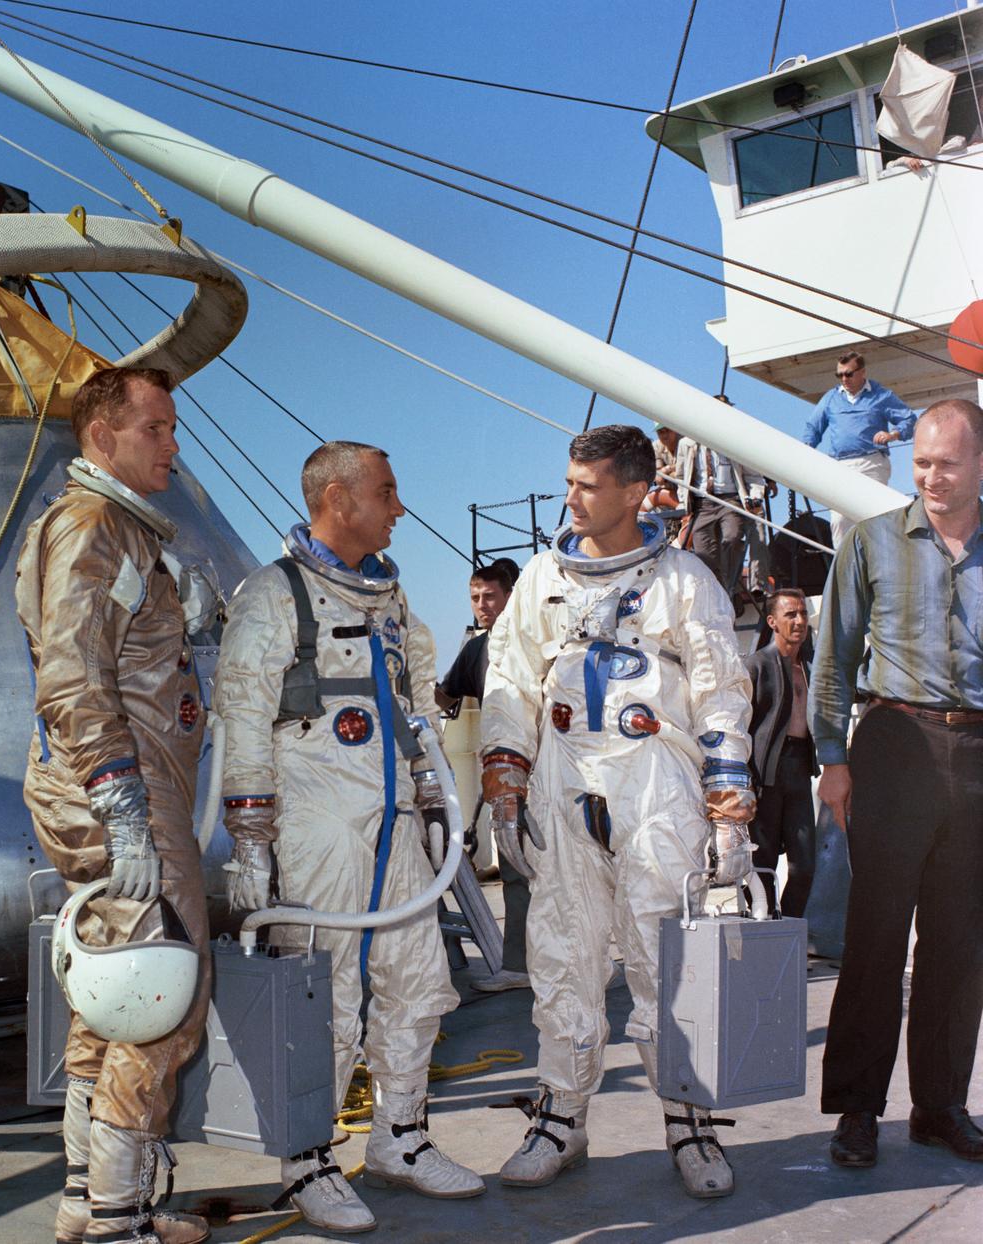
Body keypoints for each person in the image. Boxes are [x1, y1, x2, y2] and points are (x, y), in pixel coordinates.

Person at [213, 441, 485, 1233]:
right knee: (324, 995)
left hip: (392, 818)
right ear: (339, 499)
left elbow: (415, 706)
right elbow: (242, 712)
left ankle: (401, 1138)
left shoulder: (388, 599)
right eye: (387, 493)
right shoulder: (275, 594)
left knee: (417, 980)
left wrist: (433, 793)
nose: (399, 508)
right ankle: (307, 1158)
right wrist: (251, 837)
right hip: (316, 818)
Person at [481, 424, 756, 1200]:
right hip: (566, 775)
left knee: (665, 958)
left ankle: (688, 1120)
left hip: (655, 780)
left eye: (587, 485)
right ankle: (560, 1118)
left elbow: (721, 691)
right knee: (562, 954)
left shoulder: (684, 580)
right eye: (569, 482)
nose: (570, 497)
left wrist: (728, 812)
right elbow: (509, 682)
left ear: (635, 492)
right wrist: (505, 787)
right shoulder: (542, 579)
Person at [16, 368, 213, 1244]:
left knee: (111, 995)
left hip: (109, 782)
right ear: (103, 436)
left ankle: (85, 1199)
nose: (173, 444)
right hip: (122, 787)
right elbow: (72, 674)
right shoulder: (95, 525)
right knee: (159, 994)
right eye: (155, 429)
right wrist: (123, 804)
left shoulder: (116, 528)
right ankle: (118, 1219)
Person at [812, 398, 983, 1169]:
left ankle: (939, 1107)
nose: (931, 477)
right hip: (892, 746)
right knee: (877, 934)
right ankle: (857, 1110)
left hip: (976, 753)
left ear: (980, 464)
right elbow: (835, 657)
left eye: (947, 463)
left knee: (960, 939)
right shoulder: (871, 542)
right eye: (921, 463)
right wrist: (833, 760)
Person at [435, 561, 531, 993]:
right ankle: (519, 965)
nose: (481, 606)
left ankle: (588, 962)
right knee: (515, 871)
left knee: (569, 871)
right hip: (504, 777)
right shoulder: (478, 649)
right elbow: (444, 695)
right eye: (475, 598)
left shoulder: (536, 641)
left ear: (511, 595)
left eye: (490, 596)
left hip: (548, 771)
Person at [744, 588, 818, 919]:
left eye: (803, 614)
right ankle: (764, 930)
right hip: (765, 772)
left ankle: (789, 926)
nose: (799, 621)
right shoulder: (756, 665)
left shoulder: (811, 668)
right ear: (773, 621)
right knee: (763, 862)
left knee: (805, 865)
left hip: (800, 767)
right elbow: (740, 724)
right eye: (791, 615)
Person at [802, 352, 918, 548]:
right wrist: (805, 449)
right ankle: (843, 562)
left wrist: (893, 434)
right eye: (839, 375)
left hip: (871, 462)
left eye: (848, 374)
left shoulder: (881, 395)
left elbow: (909, 419)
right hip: (840, 465)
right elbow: (813, 427)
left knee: (872, 515)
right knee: (839, 520)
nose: (844, 379)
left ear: (862, 372)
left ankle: (877, 559)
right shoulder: (831, 398)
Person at [674, 401, 773, 598]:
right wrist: (684, 500)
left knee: (732, 537)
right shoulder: (687, 444)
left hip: (730, 500)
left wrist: (755, 496)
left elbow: (753, 476)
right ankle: (717, 592)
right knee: (704, 553)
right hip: (702, 503)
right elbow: (680, 475)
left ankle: (730, 584)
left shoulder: (736, 443)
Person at [642, 425, 682, 512]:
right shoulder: (656, 446)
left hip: (691, 491)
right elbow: (659, 478)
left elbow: (687, 474)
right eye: (660, 432)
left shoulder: (685, 443)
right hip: (670, 491)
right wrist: (671, 469)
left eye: (667, 430)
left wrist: (666, 471)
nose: (664, 435)